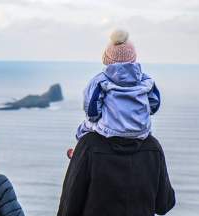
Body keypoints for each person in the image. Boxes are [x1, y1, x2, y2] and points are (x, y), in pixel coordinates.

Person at [67, 29, 161, 159]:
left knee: (84, 127)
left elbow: (92, 112)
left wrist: (96, 119)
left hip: (111, 130)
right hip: (141, 131)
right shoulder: (146, 80)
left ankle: (77, 153)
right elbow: (154, 105)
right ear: (133, 59)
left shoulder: (100, 81)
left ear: (107, 59)